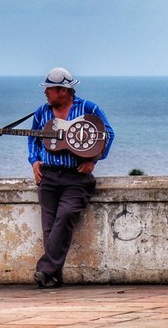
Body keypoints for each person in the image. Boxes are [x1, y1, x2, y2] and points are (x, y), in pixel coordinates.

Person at [28, 67, 114, 289]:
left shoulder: (88, 108)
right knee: (49, 228)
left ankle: (45, 270)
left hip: (76, 178)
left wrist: (94, 159)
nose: (45, 93)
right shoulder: (41, 113)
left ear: (63, 91)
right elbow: (33, 138)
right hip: (48, 177)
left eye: (49, 89)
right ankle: (53, 277)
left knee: (64, 217)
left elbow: (107, 134)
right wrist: (34, 160)